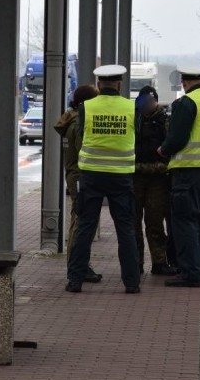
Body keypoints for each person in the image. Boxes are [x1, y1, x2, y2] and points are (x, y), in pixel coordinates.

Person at [66, 65, 141, 294]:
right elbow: (135, 134)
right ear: (120, 85)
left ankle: (75, 281)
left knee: (85, 228)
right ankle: (131, 283)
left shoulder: (86, 107)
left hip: (92, 176)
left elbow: (80, 133)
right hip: (121, 177)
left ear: (99, 86)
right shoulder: (131, 108)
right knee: (125, 230)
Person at [158, 67, 200, 287]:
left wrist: (163, 149)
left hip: (189, 171)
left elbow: (177, 138)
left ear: (184, 83)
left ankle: (190, 273)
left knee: (184, 221)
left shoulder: (186, 103)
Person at [54, 84, 102, 283]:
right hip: (81, 176)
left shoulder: (72, 120)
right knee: (80, 223)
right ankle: (78, 266)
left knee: (80, 220)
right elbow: (86, 151)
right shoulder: (78, 124)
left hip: (76, 175)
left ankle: (80, 265)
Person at [133, 85, 176, 276]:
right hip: (136, 178)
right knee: (133, 223)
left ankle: (159, 262)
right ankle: (136, 262)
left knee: (155, 222)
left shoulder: (165, 121)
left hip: (157, 179)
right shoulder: (134, 119)